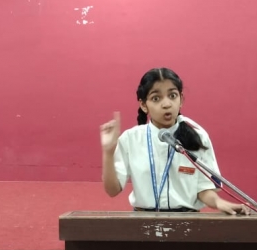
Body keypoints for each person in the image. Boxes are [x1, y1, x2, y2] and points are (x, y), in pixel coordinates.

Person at [100, 67, 249, 214]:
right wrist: (108, 152)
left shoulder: (198, 136)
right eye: (156, 98)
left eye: (172, 96)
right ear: (144, 105)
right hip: (142, 221)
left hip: (188, 220)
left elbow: (203, 189)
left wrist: (219, 203)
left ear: (181, 99)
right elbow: (112, 190)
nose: (167, 104)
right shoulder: (130, 139)